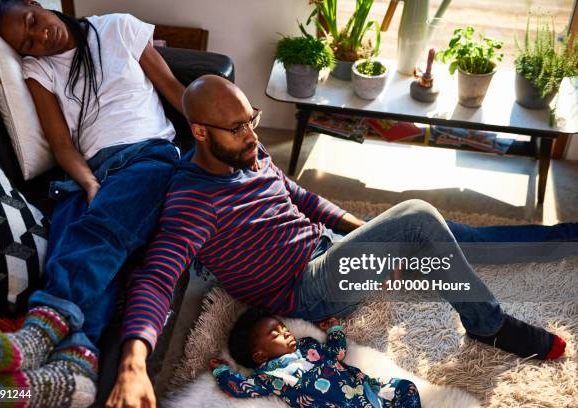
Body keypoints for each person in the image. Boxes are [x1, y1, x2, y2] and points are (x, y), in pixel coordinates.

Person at [109, 75, 572, 406]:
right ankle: (488, 325)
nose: (252, 135)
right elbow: (155, 277)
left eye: (252, 119)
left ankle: (566, 238)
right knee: (417, 216)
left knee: (456, 241)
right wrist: (132, 363)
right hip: (307, 289)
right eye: (238, 129)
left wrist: (361, 229)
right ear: (200, 132)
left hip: (328, 250)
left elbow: (297, 195)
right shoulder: (192, 203)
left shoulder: (248, 152)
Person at [0, 1, 186, 406]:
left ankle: (44, 326)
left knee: (98, 234)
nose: (40, 37)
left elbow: (175, 90)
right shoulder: (39, 71)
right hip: (89, 173)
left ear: (38, 6)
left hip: (149, 158)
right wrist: (89, 183)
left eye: (34, 21)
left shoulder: (118, 28)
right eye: (28, 43)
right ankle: (78, 368)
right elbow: (61, 145)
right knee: (74, 244)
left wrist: (225, 124)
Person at [209, 308, 422, 407]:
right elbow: (239, 388)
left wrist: (334, 330)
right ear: (260, 355)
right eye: (276, 334)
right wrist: (222, 371)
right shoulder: (268, 375)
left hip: (368, 392)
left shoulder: (308, 346)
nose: (286, 332)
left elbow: (337, 353)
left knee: (406, 388)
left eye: (283, 328)